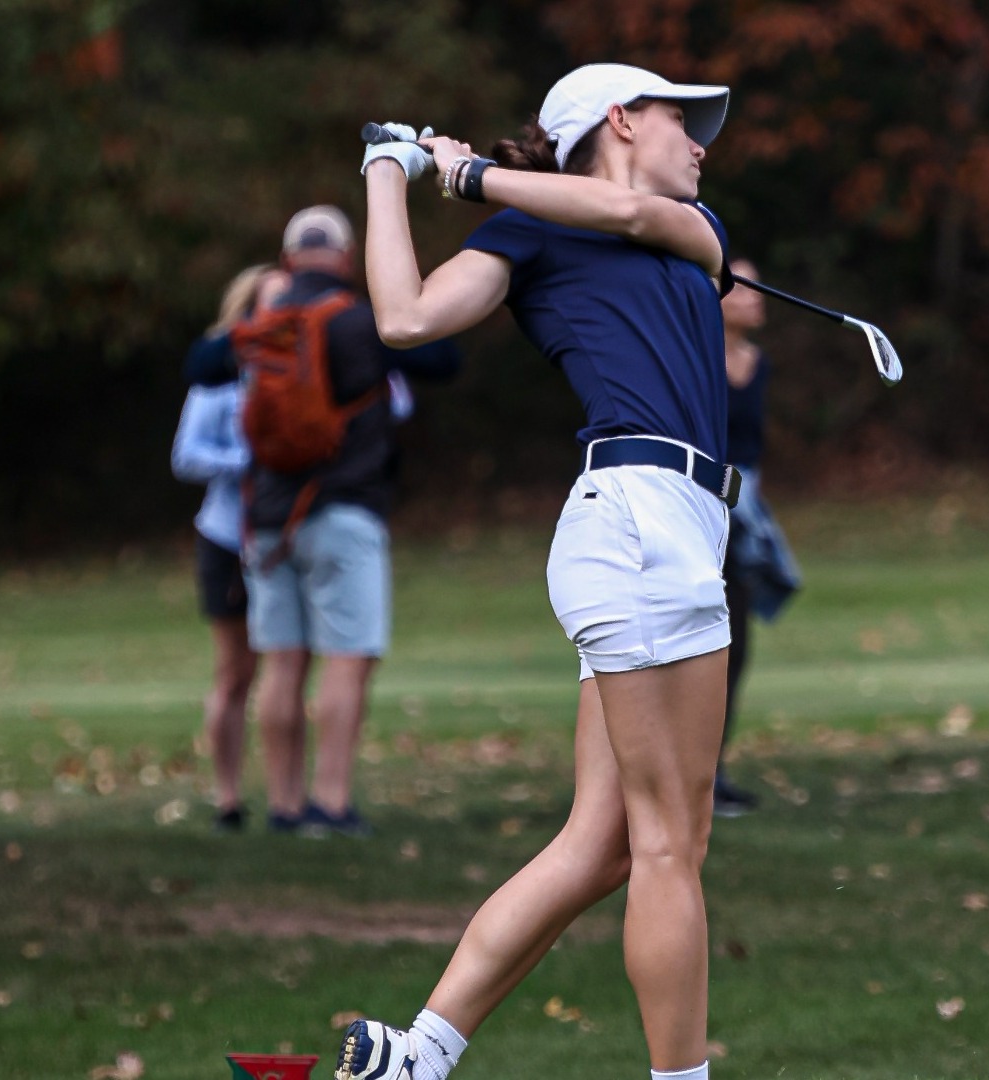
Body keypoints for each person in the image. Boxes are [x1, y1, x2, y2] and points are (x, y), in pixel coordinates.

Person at [340, 61, 736, 1080]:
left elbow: (620, 210)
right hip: (638, 519)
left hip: (670, 529)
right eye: (681, 122)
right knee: (668, 845)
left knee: (606, 843)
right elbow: (408, 319)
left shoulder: (692, 228)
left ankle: (417, 1054)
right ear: (619, 119)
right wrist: (390, 174)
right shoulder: (529, 231)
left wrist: (470, 178)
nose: (701, 143)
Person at [185, 206, 459, 836]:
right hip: (346, 512)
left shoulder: (265, 327)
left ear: (285, 260)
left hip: (269, 521)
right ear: (346, 257)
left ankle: (284, 805)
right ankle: (330, 804)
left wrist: (253, 324)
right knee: (347, 658)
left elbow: (198, 367)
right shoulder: (363, 324)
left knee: (282, 664)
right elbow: (444, 362)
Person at [172, 263, 288, 831]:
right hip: (226, 535)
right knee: (236, 671)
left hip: (287, 534)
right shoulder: (218, 375)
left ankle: (292, 799)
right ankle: (228, 798)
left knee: (286, 669)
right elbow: (186, 455)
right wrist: (250, 460)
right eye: (268, 304)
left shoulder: (307, 367)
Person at [712, 258, 801, 817]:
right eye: (743, 288)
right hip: (697, 506)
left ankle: (712, 771)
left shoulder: (758, 363)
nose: (757, 296)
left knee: (734, 647)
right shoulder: (694, 357)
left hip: (743, 513)